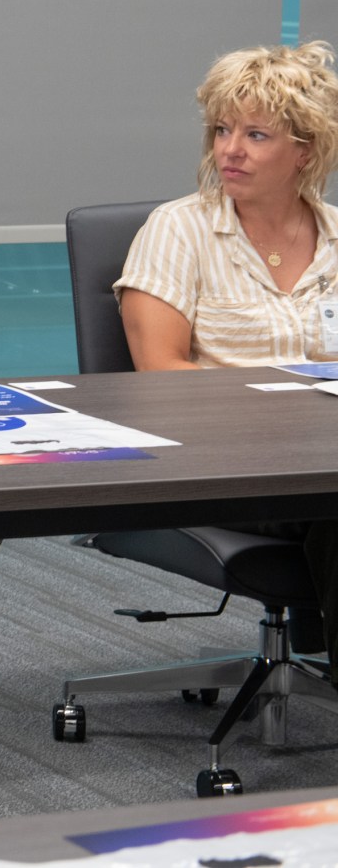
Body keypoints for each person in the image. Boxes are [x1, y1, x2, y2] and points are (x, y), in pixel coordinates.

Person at [117, 39, 338, 628]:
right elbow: (160, 375)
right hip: (222, 464)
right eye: (221, 130)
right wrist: (285, 411)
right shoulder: (178, 230)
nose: (230, 151)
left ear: (305, 150)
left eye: (256, 136)